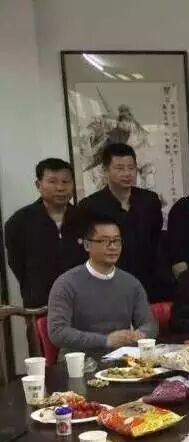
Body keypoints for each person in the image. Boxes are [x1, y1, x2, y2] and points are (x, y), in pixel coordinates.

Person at [47, 213, 158, 352]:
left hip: (122, 357)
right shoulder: (66, 283)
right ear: (87, 245)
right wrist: (106, 340)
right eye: (105, 241)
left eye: (116, 241)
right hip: (80, 359)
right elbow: (57, 332)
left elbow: (149, 324)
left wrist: (139, 335)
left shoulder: (131, 283)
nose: (112, 247)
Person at [76, 142, 166, 300]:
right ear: (105, 171)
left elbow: (157, 239)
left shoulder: (149, 200)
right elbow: (87, 251)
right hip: (109, 283)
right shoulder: (90, 206)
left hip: (149, 282)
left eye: (131, 168)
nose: (127, 173)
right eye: (119, 168)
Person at [5, 158, 86, 308]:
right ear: (38, 185)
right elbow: (18, 265)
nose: (60, 188)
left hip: (82, 302)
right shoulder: (19, 222)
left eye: (65, 182)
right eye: (52, 181)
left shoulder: (85, 219)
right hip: (41, 305)